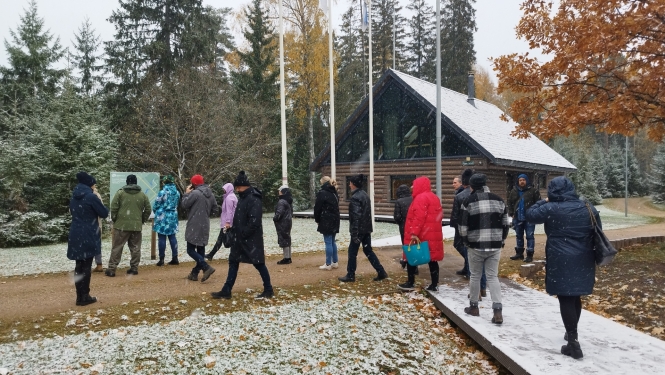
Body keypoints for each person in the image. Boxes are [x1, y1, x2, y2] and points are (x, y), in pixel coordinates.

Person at [526, 176, 599, 360]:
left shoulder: (551, 208)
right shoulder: (587, 207)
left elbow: (530, 214)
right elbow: (597, 229)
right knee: (575, 295)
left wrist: (544, 200)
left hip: (561, 258)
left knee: (565, 297)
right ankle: (571, 333)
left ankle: (573, 343)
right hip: (584, 257)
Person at [212, 171, 274, 299]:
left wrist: (243, 233)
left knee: (259, 263)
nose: (236, 189)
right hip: (239, 238)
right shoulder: (243, 198)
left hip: (250, 239)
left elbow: (254, 222)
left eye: (237, 187)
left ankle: (268, 289)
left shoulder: (254, 199)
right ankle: (226, 290)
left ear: (242, 186)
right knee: (233, 261)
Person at [459, 174, 510, 324]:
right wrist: (502, 240)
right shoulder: (499, 200)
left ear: (471, 186)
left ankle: (474, 307)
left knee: (475, 275)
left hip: (475, 244)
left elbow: (462, 226)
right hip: (494, 244)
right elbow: (506, 224)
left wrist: (465, 241)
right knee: (493, 277)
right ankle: (497, 311)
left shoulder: (468, 201)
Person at [68, 171, 109, 306]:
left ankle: (79, 296)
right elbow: (103, 213)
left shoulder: (74, 197)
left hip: (75, 233)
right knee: (86, 266)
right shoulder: (91, 197)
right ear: (90, 184)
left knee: (79, 266)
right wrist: (105, 208)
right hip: (88, 233)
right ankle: (85, 296)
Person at [338, 174, 388, 283]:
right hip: (365, 229)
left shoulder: (355, 197)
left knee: (352, 252)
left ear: (354, 184)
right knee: (368, 251)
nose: (349, 184)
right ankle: (381, 271)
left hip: (359, 229)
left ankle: (350, 275)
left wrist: (355, 233)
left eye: (350, 183)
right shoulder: (364, 195)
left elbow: (356, 216)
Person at [397, 176, 443, 291]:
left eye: (414, 185)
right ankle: (434, 284)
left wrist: (414, 233)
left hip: (422, 234)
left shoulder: (420, 198)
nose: (412, 187)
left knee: (411, 256)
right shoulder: (434, 197)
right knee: (432, 259)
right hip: (432, 234)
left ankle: (410, 282)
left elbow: (419, 217)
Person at [450, 169, 487, 298]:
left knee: (473, 261)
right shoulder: (488, 196)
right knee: (481, 263)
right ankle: (482, 288)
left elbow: (457, 216)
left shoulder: (461, 197)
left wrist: (459, 230)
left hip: (467, 231)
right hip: (483, 232)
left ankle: (475, 294)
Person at [106, 174, 151, 277]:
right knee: (135, 248)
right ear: (136, 182)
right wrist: (142, 219)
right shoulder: (142, 195)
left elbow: (114, 207)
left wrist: (115, 219)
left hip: (121, 225)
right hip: (136, 225)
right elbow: (148, 209)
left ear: (127, 182)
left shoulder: (120, 193)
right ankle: (134, 268)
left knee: (117, 247)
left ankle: (112, 269)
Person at [181, 174, 217, 282]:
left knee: (190, 250)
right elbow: (215, 210)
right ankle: (194, 273)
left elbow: (184, 204)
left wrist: (186, 194)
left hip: (194, 224)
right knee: (200, 249)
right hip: (205, 224)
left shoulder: (195, 193)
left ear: (193, 184)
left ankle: (206, 267)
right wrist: (205, 213)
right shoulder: (210, 194)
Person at [507, 173, 541, 263]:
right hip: (517, 217)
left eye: (523, 180)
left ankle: (530, 254)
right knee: (519, 236)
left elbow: (538, 203)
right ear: (518, 181)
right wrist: (511, 213)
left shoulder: (533, 191)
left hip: (529, 218)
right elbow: (510, 202)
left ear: (527, 181)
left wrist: (534, 213)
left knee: (529, 236)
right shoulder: (514, 191)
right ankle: (519, 253)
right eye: (520, 180)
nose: (522, 182)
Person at [152, 175, 181, 266]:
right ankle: (175, 257)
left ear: (164, 182)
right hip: (173, 216)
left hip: (162, 216)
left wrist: (156, 210)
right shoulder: (177, 192)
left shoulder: (162, 192)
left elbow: (156, 204)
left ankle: (161, 259)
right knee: (172, 237)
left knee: (161, 237)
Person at [314, 176, 340, 270]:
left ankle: (328, 264)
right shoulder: (334, 193)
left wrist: (317, 219)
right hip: (335, 219)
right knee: (332, 241)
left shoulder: (322, 193)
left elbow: (317, 208)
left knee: (328, 241)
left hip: (326, 219)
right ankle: (335, 261)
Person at [205, 183, 237, 260]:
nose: (223, 190)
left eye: (225, 189)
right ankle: (211, 254)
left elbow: (229, 211)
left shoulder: (229, 198)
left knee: (223, 239)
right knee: (224, 238)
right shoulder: (231, 197)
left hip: (227, 222)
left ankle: (211, 254)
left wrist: (228, 222)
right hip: (230, 222)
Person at [393, 184, 413, 271]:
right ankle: (412, 263)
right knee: (413, 245)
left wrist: (400, 222)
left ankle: (407, 261)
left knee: (405, 244)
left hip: (404, 226)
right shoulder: (414, 199)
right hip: (413, 225)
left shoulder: (399, 201)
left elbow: (397, 217)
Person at [274, 186, 293, 264]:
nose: (278, 192)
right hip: (288, 221)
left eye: (280, 191)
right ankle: (288, 257)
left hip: (282, 222)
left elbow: (279, 213)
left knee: (284, 239)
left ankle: (286, 258)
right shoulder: (288, 200)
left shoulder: (281, 201)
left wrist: (275, 218)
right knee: (287, 238)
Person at [91, 184, 105, 272]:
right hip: (96, 224)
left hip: (84, 225)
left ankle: (85, 265)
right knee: (97, 244)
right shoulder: (96, 195)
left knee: (85, 245)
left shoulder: (78, 194)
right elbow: (102, 209)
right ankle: (99, 264)